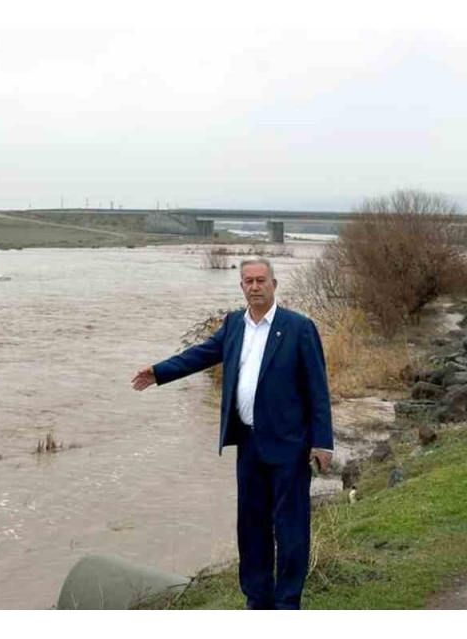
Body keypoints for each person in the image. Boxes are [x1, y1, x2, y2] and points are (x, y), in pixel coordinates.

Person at [130, 256, 333, 610]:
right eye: (248, 281)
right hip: (249, 444)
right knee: (251, 527)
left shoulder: (299, 327)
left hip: (289, 446)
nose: (254, 287)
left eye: (260, 280)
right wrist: (159, 372)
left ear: (274, 284)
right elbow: (201, 354)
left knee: (290, 529)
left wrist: (321, 442)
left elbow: (318, 388)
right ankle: (257, 599)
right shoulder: (234, 325)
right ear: (241, 286)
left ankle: (287, 603)